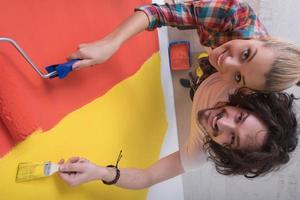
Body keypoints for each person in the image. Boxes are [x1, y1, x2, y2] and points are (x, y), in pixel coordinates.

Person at [58, 72, 298, 188]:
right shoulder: (243, 78)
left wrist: (99, 172)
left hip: (201, 88)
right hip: (211, 72)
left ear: (230, 153)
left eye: (232, 138)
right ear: (248, 101)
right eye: (240, 116)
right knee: (200, 75)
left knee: (195, 90)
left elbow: (147, 177)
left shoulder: (199, 152)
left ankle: (194, 86)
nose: (221, 122)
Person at [68, 0, 300, 92]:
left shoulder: (254, 82)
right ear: (263, 39)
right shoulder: (232, 12)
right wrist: (110, 44)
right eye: (246, 54)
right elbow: (159, 12)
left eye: (238, 78)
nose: (227, 63)